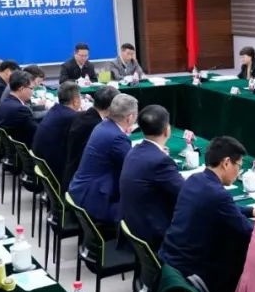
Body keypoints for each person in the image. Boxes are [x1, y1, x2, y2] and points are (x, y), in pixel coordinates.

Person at [160, 136, 255, 292]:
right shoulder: (218, 195)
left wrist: (252, 211)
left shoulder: (194, 180)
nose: (238, 172)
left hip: (171, 264)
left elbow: (223, 208)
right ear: (226, 163)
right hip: (194, 274)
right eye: (239, 166)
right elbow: (248, 232)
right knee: (241, 256)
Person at [119, 104, 184, 251]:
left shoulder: (134, 150)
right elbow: (185, 192)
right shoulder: (160, 161)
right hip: (154, 235)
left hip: (134, 226)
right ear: (167, 130)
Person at [68, 93, 138, 224]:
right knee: (142, 207)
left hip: (80, 192)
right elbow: (135, 167)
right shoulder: (117, 138)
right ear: (129, 118)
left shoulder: (102, 126)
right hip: (95, 202)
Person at [62, 85, 118, 189]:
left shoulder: (81, 115)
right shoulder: (98, 127)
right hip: (81, 184)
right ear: (111, 108)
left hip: (70, 173)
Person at [32, 81, 82, 186]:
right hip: (56, 172)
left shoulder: (55, 110)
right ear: (75, 101)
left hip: (43, 167)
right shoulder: (71, 117)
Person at [0, 70, 38, 146]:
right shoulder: (20, 109)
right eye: (31, 88)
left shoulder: (4, 102)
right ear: (21, 88)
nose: (33, 92)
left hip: (9, 145)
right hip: (23, 148)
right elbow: (37, 132)